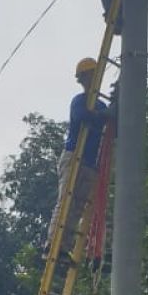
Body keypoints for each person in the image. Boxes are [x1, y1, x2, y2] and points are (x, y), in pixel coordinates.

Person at [45, 57, 113, 259]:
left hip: (90, 162)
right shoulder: (80, 101)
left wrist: (110, 113)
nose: (88, 79)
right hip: (74, 156)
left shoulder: (100, 104)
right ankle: (52, 243)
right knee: (66, 200)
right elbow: (82, 116)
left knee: (78, 206)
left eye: (90, 75)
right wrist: (104, 116)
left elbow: (112, 126)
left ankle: (64, 247)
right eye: (86, 76)